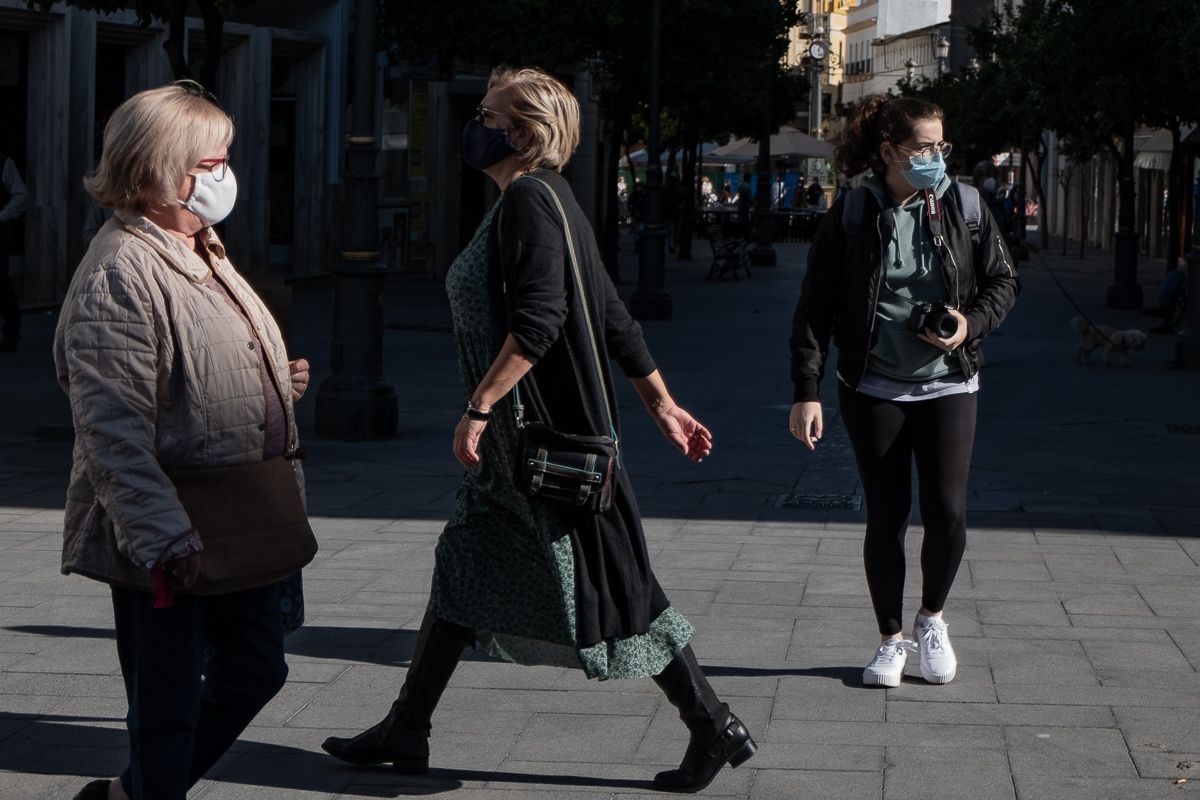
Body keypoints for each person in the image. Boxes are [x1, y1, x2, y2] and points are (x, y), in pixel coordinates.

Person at [321, 66, 756, 793]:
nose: (476, 123)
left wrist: (480, 407)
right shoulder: (548, 200)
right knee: (463, 568)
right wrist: (662, 404)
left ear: (520, 131)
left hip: (540, 440)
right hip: (520, 448)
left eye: (488, 113)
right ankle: (407, 726)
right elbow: (613, 312)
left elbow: (542, 321)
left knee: (622, 587)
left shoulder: (529, 199)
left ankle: (712, 723)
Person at [55, 81, 312, 800]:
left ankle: (129, 793)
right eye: (210, 160)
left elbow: (189, 372)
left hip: (237, 516)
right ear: (161, 166)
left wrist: (271, 383)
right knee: (165, 711)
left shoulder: (200, 245)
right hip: (170, 531)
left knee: (258, 668)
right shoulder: (120, 271)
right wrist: (164, 536)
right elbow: (111, 431)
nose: (224, 174)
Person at [788, 95, 1017, 689]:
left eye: (942, 146)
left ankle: (931, 619)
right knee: (886, 514)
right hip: (872, 386)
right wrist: (806, 388)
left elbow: (1002, 280)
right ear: (889, 152)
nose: (936, 157)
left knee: (947, 511)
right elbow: (815, 307)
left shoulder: (965, 205)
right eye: (923, 148)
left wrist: (970, 323)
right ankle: (890, 638)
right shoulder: (851, 214)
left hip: (951, 381)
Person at [0, 152, 29, 352]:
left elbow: (21, 196)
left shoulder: (4, 163)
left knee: (0, 283)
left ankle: (11, 330)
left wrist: (2, 215)